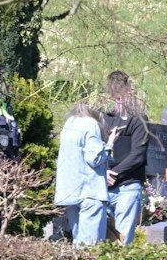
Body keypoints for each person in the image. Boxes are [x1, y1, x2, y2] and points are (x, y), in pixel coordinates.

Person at [98, 69, 151, 244]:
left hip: (127, 188)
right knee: (97, 240)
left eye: (122, 96)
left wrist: (113, 174)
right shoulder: (102, 118)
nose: (119, 100)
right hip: (101, 186)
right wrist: (103, 174)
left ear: (129, 93)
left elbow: (138, 155)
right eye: (115, 96)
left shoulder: (139, 120)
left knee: (122, 242)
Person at [54, 98, 111, 246]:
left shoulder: (69, 123)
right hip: (90, 191)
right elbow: (94, 158)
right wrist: (109, 144)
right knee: (90, 246)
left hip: (71, 190)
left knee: (78, 242)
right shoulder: (91, 124)